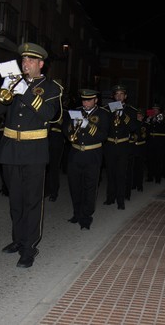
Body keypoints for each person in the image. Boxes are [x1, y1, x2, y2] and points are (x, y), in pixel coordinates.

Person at [0, 42, 63, 268]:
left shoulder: (52, 87)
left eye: (30, 61)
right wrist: (5, 91)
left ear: (41, 64)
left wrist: (26, 93)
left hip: (34, 149)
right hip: (11, 146)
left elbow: (51, 115)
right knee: (15, 200)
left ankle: (29, 247)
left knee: (32, 201)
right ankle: (18, 239)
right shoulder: (13, 83)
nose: (25, 64)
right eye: (23, 60)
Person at [63, 89, 109, 230]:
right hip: (75, 154)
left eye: (89, 100)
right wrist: (72, 128)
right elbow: (66, 129)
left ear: (96, 100)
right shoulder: (76, 112)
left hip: (92, 155)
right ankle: (77, 213)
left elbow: (103, 136)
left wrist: (87, 126)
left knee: (90, 187)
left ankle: (86, 217)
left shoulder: (103, 114)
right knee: (74, 186)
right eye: (84, 100)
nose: (86, 103)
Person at [102, 85, 141, 210]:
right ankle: (110, 198)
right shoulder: (107, 109)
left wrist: (122, 113)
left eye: (121, 94)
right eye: (116, 94)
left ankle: (120, 200)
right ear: (113, 96)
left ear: (125, 96)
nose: (118, 96)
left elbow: (133, 127)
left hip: (123, 146)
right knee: (110, 173)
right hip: (110, 146)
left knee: (121, 174)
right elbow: (104, 127)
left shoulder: (131, 110)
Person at [146, 104, 165, 184]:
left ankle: (158, 178)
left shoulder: (161, 117)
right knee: (150, 160)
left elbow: (164, 124)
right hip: (151, 141)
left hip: (159, 142)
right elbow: (146, 128)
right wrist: (148, 120)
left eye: (156, 109)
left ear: (159, 110)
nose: (154, 111)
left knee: (158, 160)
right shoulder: (150, 118)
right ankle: (150, 176)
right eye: (153, 109)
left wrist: (154, 118)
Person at [127, 108, 147, 194]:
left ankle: (139, 185)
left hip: (141, 148)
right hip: (132, 148)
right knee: (132, 168)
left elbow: (145, 136)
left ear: (143, 116)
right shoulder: (133, 123)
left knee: (140, 168)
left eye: (140, 114)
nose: (139, 116)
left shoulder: (145, 124)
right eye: (137, 114)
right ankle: (133, 184)